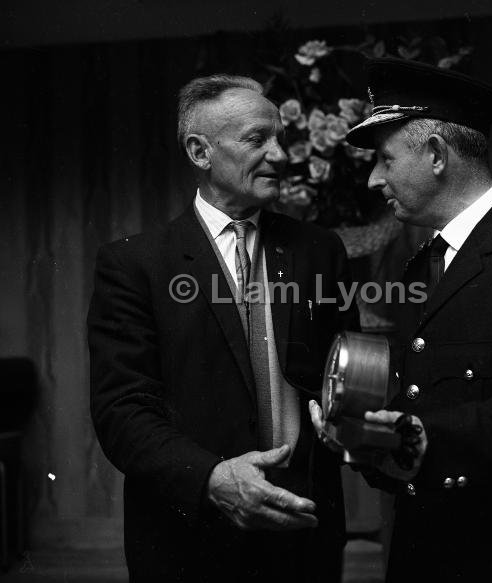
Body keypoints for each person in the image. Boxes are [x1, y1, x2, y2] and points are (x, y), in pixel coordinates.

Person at [310, 57, 492, 582]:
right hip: (428, 549)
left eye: (384, 159)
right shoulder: (424, 262)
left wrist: (420, 435)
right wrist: (365, 438)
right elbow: (420, 404)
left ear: (436, 154)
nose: (375, 179)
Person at [88, 74, 358, 582]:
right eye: (258, 140)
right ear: (200, 151)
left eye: (281, 138)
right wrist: (213, 478)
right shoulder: (134, 265)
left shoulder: (321, 250)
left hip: (302, 529)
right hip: (188, 535)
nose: (280, 155)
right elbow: (121, 411)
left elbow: (345, 378)